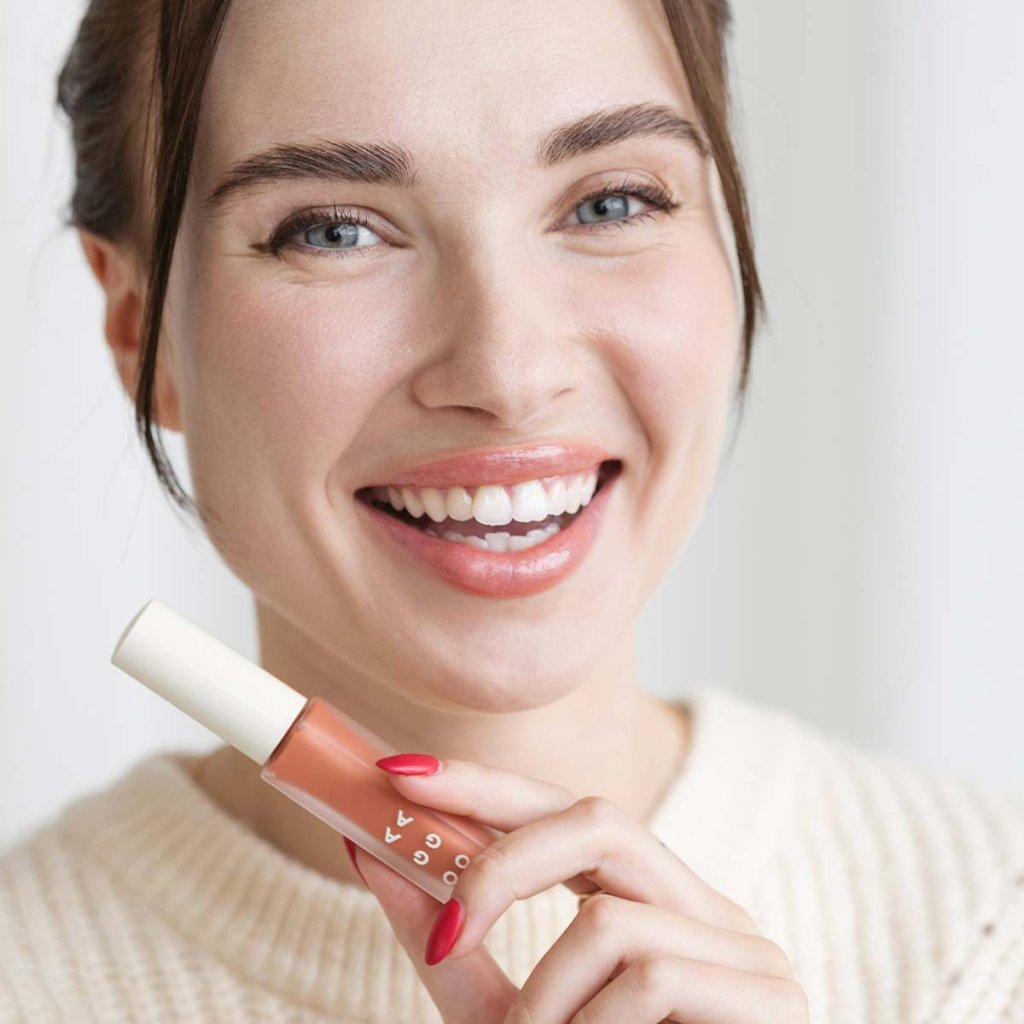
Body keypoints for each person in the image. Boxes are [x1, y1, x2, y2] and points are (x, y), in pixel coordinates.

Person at [2, 0, 1022, 1021]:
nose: (508, 372)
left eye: (611, 204)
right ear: (136, 320)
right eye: (334, 230)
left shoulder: (988, 935)